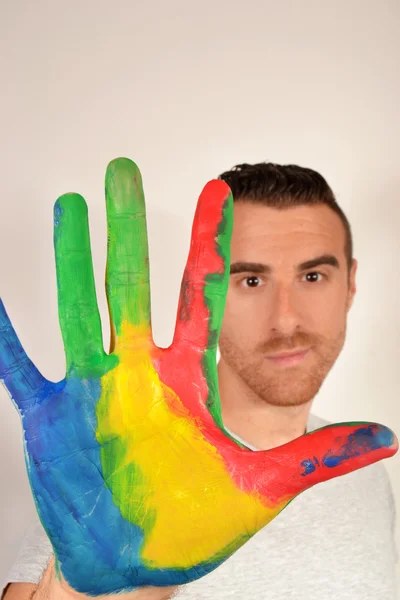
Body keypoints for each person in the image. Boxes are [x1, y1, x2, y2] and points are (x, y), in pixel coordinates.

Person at [2, 163, 398, 600]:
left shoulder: (367, 477)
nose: (286, 319)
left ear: (351, 283)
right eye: (250, 279)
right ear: (207, 291)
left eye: (312, 276)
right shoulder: (113, 467)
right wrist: (78, 594)